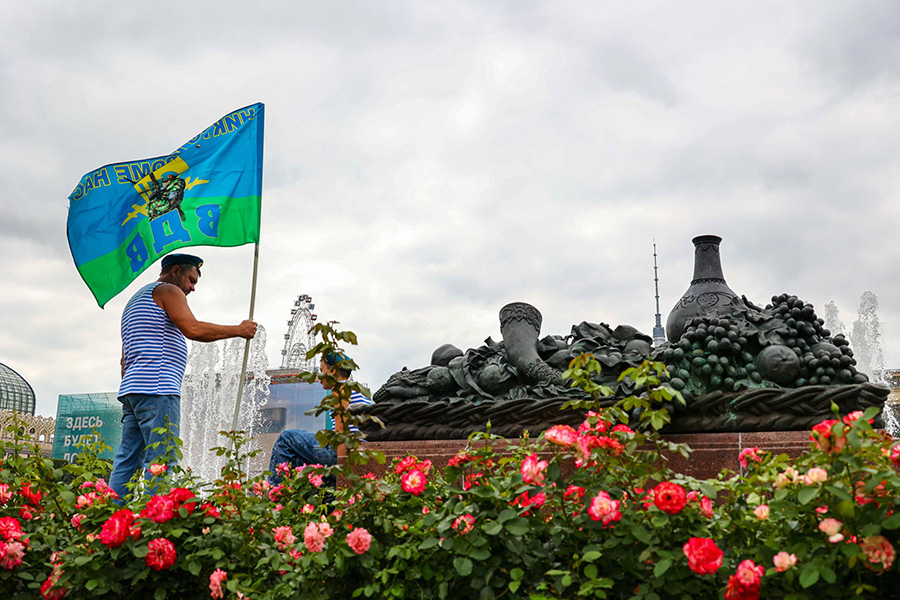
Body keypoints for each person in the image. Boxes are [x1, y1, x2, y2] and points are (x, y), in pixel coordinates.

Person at [109, 253, 258, 500]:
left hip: (133, 390)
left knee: (127, 460)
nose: (192, 288)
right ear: (175, 270)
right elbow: (193, 328)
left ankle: (110, 514)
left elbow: (124, 360)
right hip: (158, 389)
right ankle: (155, 517)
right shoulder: (168, 290)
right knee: (161, 460)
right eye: (191, 280)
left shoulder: (135, 301)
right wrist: (239, 330)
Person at [268, 352, 373, 485]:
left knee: (286, 438)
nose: (319, 375)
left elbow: (341, 430)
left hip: (341, 451)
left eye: (322, 370)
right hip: (359, 450)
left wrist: (342, 468)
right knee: (296, 456)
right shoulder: (358, 392)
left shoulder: (340, 388)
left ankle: (275, 491)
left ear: (333, 371)